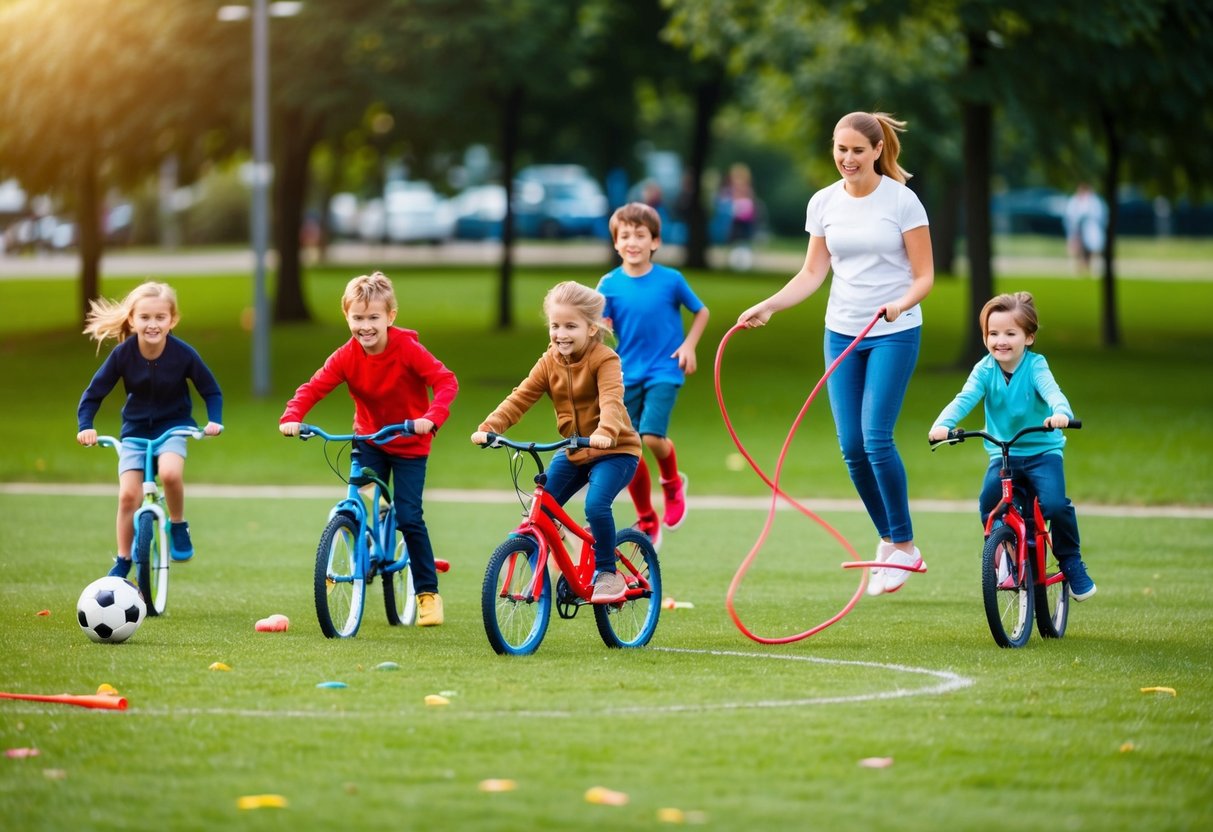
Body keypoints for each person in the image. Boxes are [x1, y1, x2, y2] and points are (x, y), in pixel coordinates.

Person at [737, 111, 934, 596]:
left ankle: (906, 546)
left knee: (875, 438)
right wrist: (768, 306)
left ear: (876, 152)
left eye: (857, 151)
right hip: (841, 332)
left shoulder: (902, 202)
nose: (847, 158)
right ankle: (888, 541)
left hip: (894, 330)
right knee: (850, 448)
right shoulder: (824, 203)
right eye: (840, 149)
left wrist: (900, 303)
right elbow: (811, 274)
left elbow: (925, 276)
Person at [279, 272, 458, 626]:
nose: (365, 326)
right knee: (354, 498)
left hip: (410, 442)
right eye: (357, 318)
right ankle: (341, 551)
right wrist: (293, 415)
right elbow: (314, 387)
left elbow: (445, 380)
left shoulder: (406, 349)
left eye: (373, 318)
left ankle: (427, 592)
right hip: (369, 439)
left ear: (390, 317)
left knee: (409, 517)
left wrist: (431, 417)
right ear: (347, 317)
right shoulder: (346, 356)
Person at [470, 281, 642, 604]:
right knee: (540, 508)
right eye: (555, 325)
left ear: (592, 329)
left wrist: (606, 432)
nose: (561, 334)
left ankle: (607, 572)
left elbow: (612, 401)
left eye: (570, 326)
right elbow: (520, 397)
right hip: (576, 450)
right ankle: (560, 559)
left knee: (595, 505)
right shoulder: (549, 361)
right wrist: (491, 426)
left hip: (615, 451)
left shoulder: (605, 360)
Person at [928, 292, 1095, 600]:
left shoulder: (1035, 366)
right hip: (1003, 453)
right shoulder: (984, 370)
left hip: (1042, 452)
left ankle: (1071, 560)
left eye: (1010, 333)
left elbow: (1053, 392)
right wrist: (942, 425)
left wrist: (1061, 415)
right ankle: (1004, 553)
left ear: (1028, 337)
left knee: (1056, 505)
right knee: (988, 503)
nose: (1000, 340)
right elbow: (964, 398)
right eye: (993, 333)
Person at [76, 281, 224, 578]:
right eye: (145, 318)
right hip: (135, 431)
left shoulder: (183, 354)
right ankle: (122, 559)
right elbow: (94, 393)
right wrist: (86, 426)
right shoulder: (123, 354)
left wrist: (214, 419)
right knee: (127, 496)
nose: (152, 324)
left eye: (160, 317)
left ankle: (179, 523)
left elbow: (211, 391)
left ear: (173, 320)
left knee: (170, 473)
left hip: (174, 426)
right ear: (132, 320)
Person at [597, 202, 710, 551]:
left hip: (665, 369)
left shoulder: (671, 280)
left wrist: (689, 345)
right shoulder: (609, 284)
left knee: (652, 437)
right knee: (626, 448)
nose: (632, 242)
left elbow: (701, 311)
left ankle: (673, 483)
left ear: (655, 241)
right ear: (616, 243)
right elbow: (598, 325)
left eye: (640, 235)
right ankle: (646, 515)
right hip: (625, 374)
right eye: (625, 235)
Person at [1063, 183, 1107, 276]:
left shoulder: (1094, 201)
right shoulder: (1074, 201)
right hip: (1077, 230)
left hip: (1091, 229)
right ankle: (1079, 269)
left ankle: (1092, 269)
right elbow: (1070, 216)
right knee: (1077, 250)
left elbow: (1100, 216)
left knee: (1093, 250)